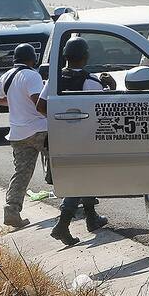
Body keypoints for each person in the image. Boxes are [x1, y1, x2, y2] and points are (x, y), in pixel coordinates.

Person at [36, 36, 114, 244]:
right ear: (86, 57)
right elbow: (104, 108)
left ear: (65, 57)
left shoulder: (54, 79)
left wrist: (60, 119)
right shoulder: (91, 81)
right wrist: (110, 87)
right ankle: (62, 225)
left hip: (59, 137)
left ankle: (91, 217)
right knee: (81, 177)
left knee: (82, 175)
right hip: (84, 138)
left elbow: (40, 106)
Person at [0, 43, 48, 230]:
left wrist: (14, 102)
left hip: (17, 134)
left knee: (22, 173)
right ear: (33, 59)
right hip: (40, 130)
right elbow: (38, 102)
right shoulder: (33, 75)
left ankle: (12, 211)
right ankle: (74, 199)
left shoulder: (7, 76)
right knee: (61, 162)